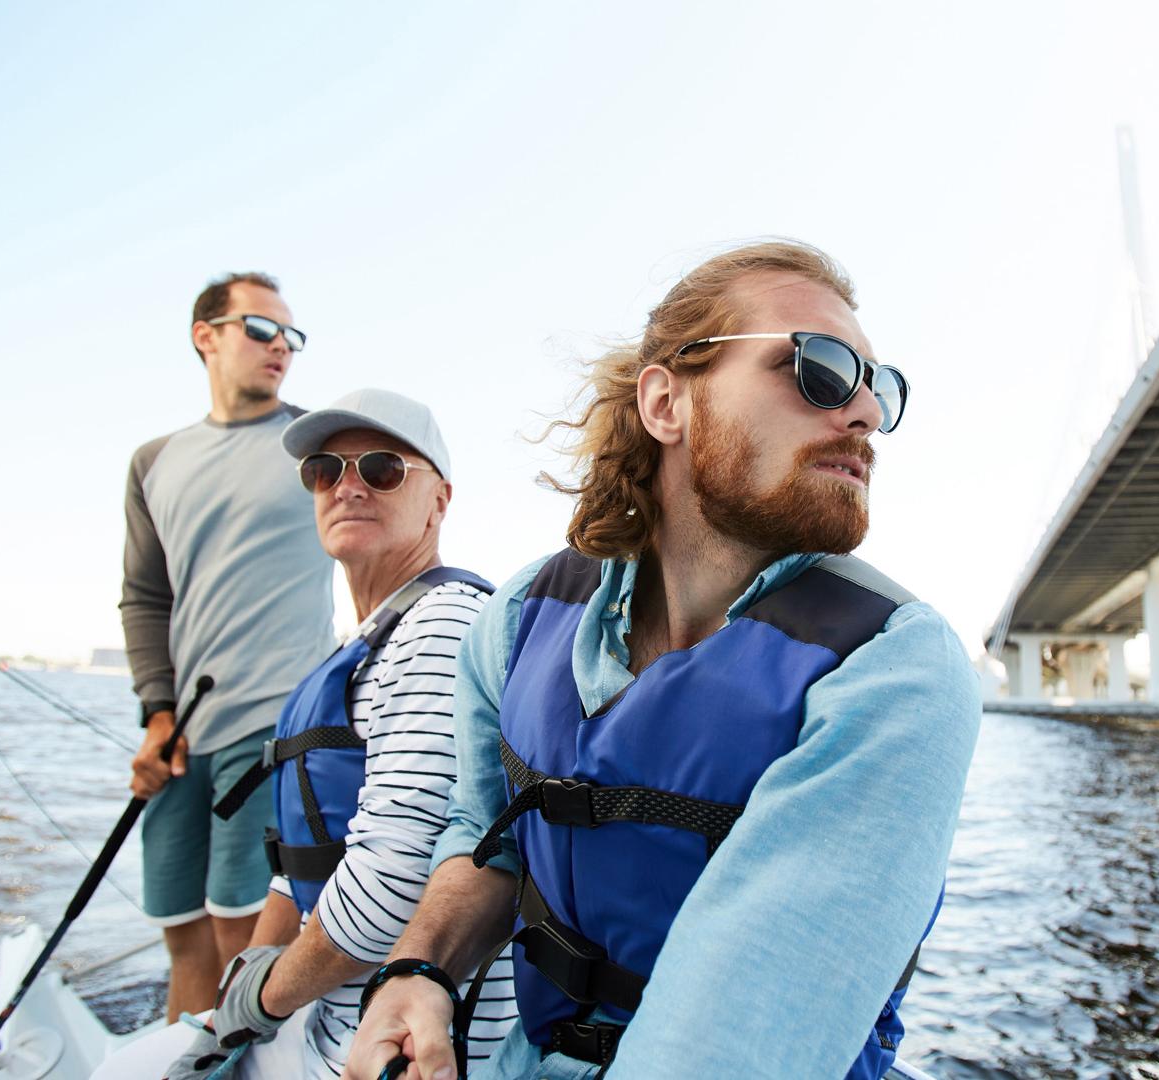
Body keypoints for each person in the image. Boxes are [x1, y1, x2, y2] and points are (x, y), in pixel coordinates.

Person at [345, 241, 981, 1079]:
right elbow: (485, 835)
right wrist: (419, 969)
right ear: (665, 402)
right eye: (820, 367)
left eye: (880, 386)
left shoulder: (894, 671)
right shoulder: (519, 618)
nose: (864, 412)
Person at [95, 389, 518, 1080]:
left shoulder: (441, 628)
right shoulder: (364, 644)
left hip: (392, 1047)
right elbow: (296, 867)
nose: (346, 486)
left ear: (439, 499)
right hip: (324, 1018)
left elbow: (391, 887)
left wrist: (256, 1004)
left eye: (381, 468)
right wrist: (234, 999)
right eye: (325, 470)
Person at [121, 272, 337, 1021]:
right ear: (205, 335)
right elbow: (146, 599)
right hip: (181, 735)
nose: (281, 345)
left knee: (238, 929)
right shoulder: (153, 461)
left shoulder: (321, 448)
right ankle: (182, 1057)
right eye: (260, 328)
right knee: (181, 931)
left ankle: (231, 1058)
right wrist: (155, 714)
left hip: (276, 724)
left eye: (291, 336)